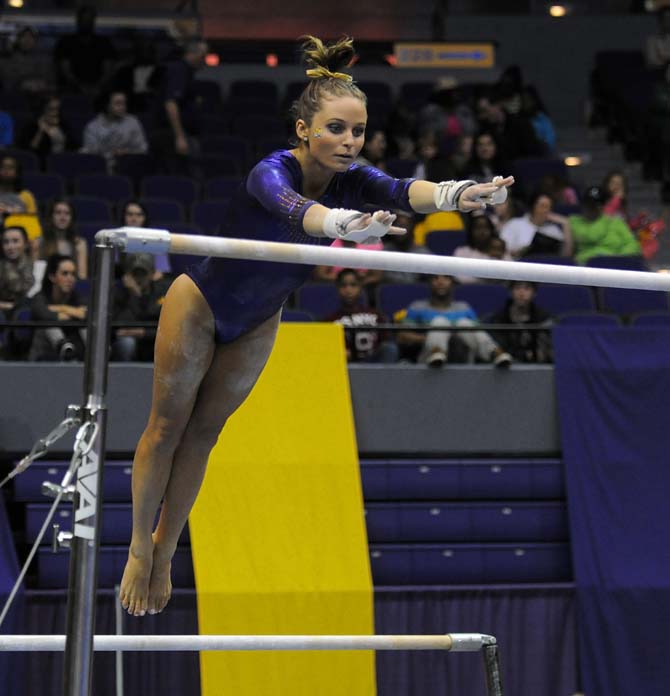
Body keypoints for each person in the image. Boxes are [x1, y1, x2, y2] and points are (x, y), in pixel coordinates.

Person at [118, 35, 513, 617]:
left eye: (356, 131)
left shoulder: (353, 176)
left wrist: (459, 193)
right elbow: (297, 210)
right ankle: (135, 549)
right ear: (303, 130)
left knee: (204, 435)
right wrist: (346, 227)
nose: (348, 142)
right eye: (335, 129)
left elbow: (406, 192)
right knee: (165, 428)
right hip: (200, 303)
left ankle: (166, 546)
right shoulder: (269, 171)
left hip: (258, 319)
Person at [397, 274, 512, 368]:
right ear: (430, 283)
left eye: (446, 278)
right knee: (440, 322)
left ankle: (494, 353)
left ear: (452, 283)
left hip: (463, 356)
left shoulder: (464, 307)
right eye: (436, 278)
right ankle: (438, 352)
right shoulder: (417, 307)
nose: (440, 282)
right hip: (428, 360)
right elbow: (402, 336)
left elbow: (478, 333)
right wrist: (434, 337)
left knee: (464, 323)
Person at [324, 268, 397, 363]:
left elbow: (385, 341)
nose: (348, 290)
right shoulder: (330, 320)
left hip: (374, 364)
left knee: (390, 348)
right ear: (337, 288)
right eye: (343, 285)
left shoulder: (376, 315)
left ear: (360, 287)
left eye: (353, 285)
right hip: (346, 366)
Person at [111, 253, 171, 362]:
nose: (139, 278)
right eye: (135, 274)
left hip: (152, 339)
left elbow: (163, 326)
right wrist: (134, 294)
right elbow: (121, 326)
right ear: (127, 275)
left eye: (143, 273)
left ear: (152, 274)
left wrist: (142, 332)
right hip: (129, 342)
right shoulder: (119, 293)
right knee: (127, 343)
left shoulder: (161, 292)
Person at [28, 254, 86, 361]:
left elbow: (86, 315)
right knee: (48, 324)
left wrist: (60, 308)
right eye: (65, 274)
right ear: (52, 277)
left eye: (73, 274)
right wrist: (73, 313)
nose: (70, 279)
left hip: (76, 352)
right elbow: (43, 314)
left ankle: (96, 350)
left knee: (85, 327)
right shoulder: (40, 297)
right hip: (43, 357)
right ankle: (64, 347)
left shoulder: (77, 297)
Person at [53, 4, 117, 95]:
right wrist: (79, 86)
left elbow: (109, 69)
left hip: (99, 91)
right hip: (71, 90)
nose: (86, 22)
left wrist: (97, 86)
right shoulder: (66, 42)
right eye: (83, 19)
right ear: (78, 20)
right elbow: (65, 69)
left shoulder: (104, 43)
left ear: (93, 21)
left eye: (88, 19)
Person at [568, 186, 641, 265]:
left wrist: (616, 258)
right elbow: (591, 236)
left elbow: (632, 245)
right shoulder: (574, 221)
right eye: (588, 204)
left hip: (615, 266)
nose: (591, 208)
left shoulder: (616, 222)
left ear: (602, 206)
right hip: (586, 267)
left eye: (596, 205)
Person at [81, 91, 148, 173]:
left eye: (124, 103)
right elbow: (90, 155)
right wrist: (111, 154)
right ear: (107, 105)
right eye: (118, 103)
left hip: (129, 167)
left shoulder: (133, 122)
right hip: (101, 169)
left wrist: (127, 152)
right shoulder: (93, 127)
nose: (123, 107)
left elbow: (143, 149)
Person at [488, 281, 553, 364]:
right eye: (517, 288)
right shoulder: (499, 318)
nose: (521, 293)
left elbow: (544, 352)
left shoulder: (543, 318)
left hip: (537, 366)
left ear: (534, 293)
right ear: (511, 292)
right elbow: (498, 346)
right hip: (506, 365)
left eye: (527, 288)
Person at [500, 192, 572, 259]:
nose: (545, 210)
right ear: (533, 206)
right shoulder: (514, 224)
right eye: (543, 206)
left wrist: (566, 224)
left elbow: (566, 255)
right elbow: (503, 251)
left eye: (548, 207)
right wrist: (521, 251)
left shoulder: (553, 229)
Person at [453, 212, 511, 283]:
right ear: (471, 231)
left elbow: (510, 274)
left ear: (491, 230)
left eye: (486, 227)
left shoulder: (499, 250)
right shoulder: (461, 252)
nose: (482, 232)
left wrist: (498, 258)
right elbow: (460, 277)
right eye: (478, 228)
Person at [39, 199, 88, 279]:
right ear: (51, 216)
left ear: (72, 218)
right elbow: (37, 274)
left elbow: (82, 277)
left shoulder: (79, 243)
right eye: (58, 213)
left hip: (70, 286)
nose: (63, 217)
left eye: (67, 213)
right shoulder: (40, 241)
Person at [0, 154, 42, 246]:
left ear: (17, 172)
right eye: (3, 167)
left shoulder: (26, 196)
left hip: (19, 237)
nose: (6, 170)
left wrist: (16, 213)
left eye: (10, 168)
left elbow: (33, 222)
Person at [20, 96, 71, 161]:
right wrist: (41, 131)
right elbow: (30, 149)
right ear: (44, 109)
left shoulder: (63, 125)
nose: (55, 112)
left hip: (63, 160)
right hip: (42, 162)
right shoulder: (32, 126)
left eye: (57, 109)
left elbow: (73, 146)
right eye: (51, 109)